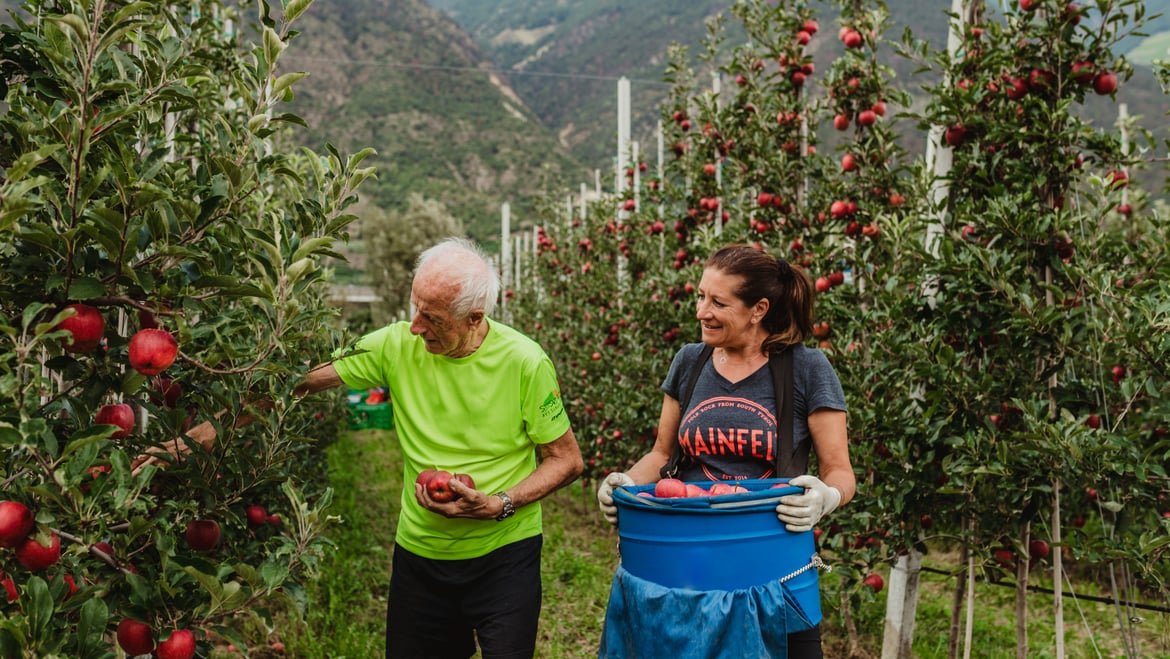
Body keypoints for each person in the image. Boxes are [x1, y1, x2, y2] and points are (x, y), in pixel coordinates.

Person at [137, 237, 584, 658]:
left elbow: (566, 460)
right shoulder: (395, 344)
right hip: (421, 556)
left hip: (505, 557)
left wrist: (499, 503)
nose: (416, 326)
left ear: (475, 317)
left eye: (434, 319)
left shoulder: (525, 362)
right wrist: (201, 437)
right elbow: (294, 385)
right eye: (416, 309)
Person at [595, 243, 855, 659]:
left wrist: (828, 497)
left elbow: (839, 469)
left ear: (758, 309)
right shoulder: (689, 362)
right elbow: (662, 454)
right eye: (700, 296)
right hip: (688, 564)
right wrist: (626, 482)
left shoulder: (806, 369)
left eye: (718, 302)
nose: (701, 311)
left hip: (771, 567)